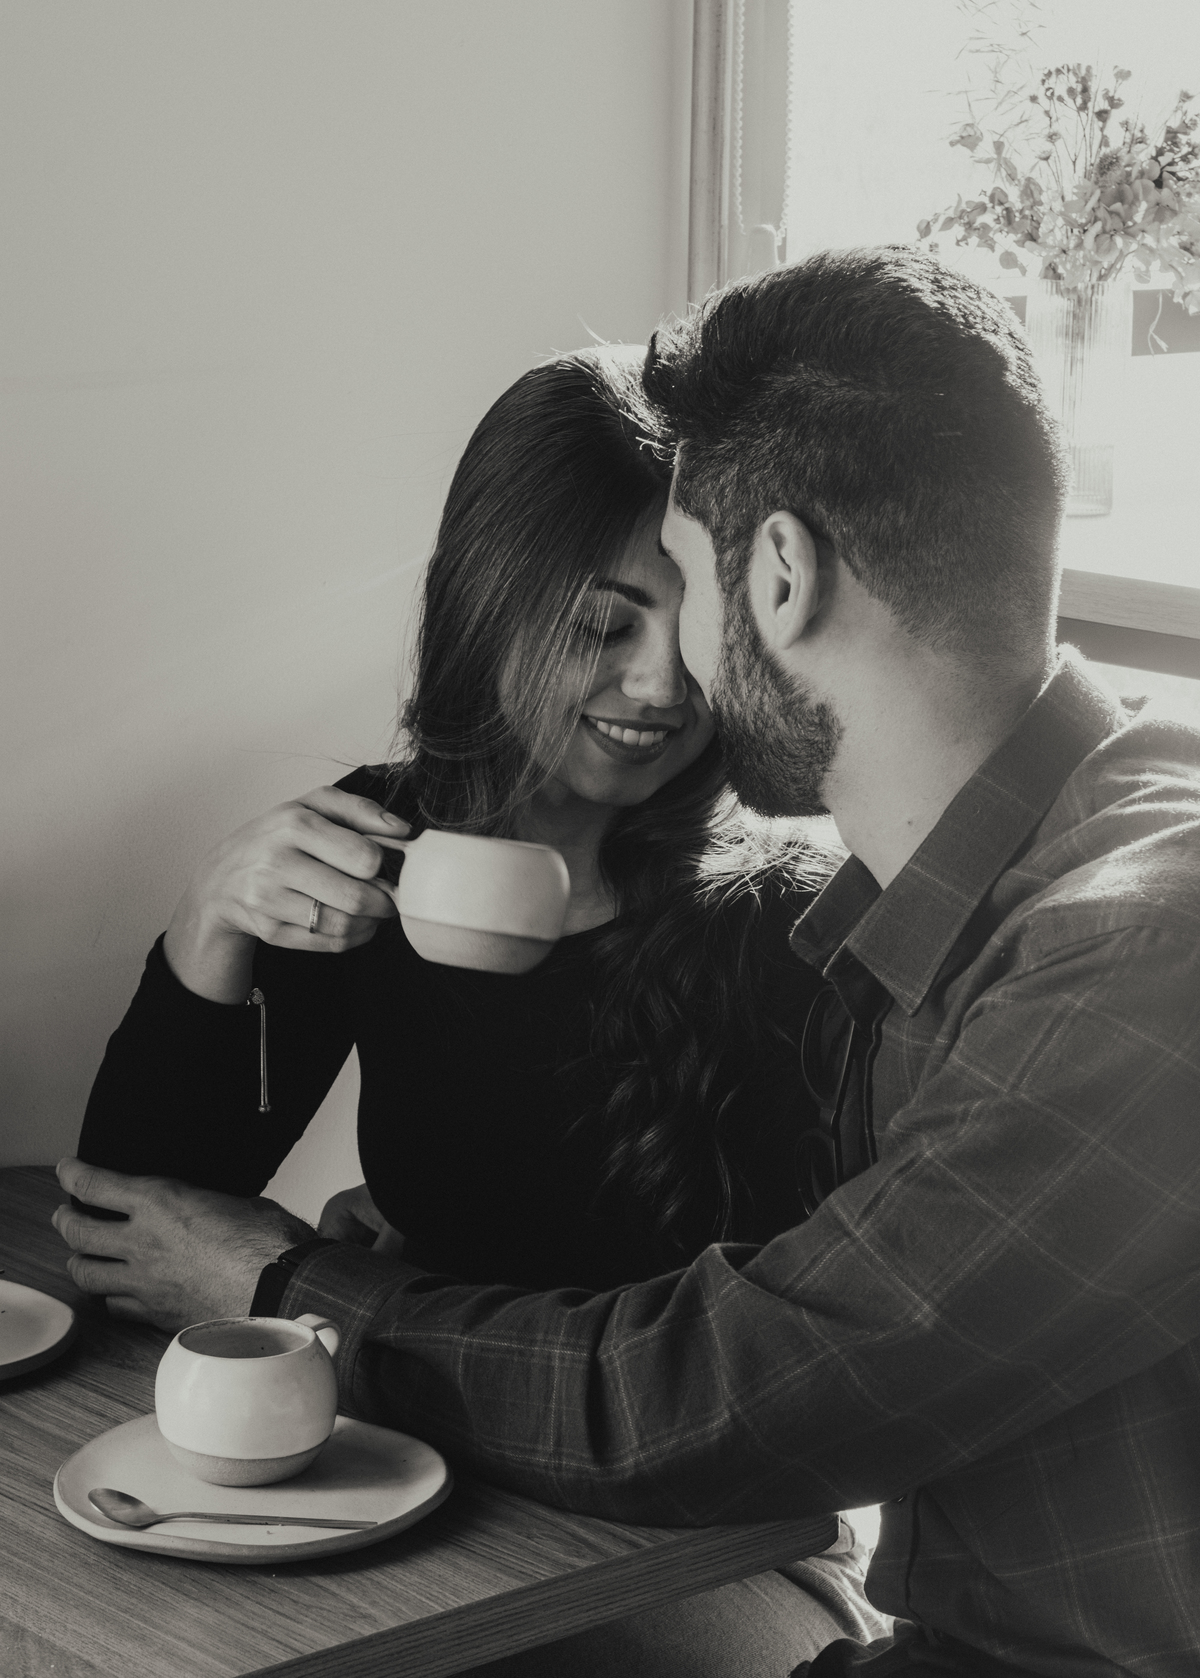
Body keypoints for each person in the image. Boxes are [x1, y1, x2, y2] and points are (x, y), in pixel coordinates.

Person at [57, 250, 1200, 1676]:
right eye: (604, 623)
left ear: (775, 576)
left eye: (686, 587)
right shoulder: (959, 910)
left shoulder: (1121, 944)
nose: (672, 679)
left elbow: (727, 1393)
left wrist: (304, 1294)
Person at [61, 344, 886, 1672]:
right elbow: (132, 1232)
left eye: (690, 630)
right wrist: (211, 922)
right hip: (420, 1484)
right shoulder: (381, 848)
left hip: (708, 1536)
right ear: (489, 601)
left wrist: (351, 1288)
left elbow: (754, 1387)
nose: (661, 687)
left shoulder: (781, 914)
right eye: (602, 626)